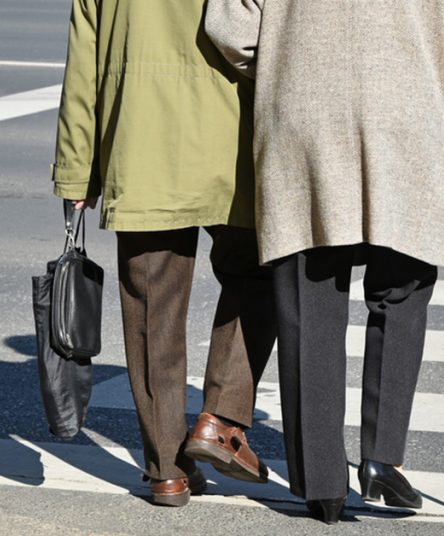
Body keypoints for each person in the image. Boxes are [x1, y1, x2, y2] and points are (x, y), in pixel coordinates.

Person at [205, 0, 444, 524]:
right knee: (402, 288)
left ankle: (321, 484)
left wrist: (283, 64)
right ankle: (383, 455)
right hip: (405, 114)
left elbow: (231, 28)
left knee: (308, 297)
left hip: (305, 114)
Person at [51, 0, 277, 507]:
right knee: (260, 275)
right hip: (232, 135)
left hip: (140, 137)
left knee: (153, 307)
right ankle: (220, 418)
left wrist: (75, 168)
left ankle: (167, 472)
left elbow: (84, 59)